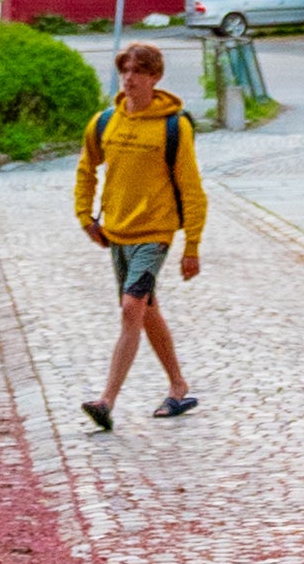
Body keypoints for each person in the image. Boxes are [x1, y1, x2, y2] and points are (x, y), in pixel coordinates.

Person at [72, 35, 206, 428]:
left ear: (156, 77)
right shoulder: (104, 123)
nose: (129, 79)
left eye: (138, 72)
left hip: (155, 232)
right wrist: (85, 217)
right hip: (116, 232)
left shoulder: (174, 126)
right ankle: (178, 387)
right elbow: (85, 170)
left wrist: (192, 245)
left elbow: (192, 188)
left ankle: (106, 402)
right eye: (124, 71)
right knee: (147, 311)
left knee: (132, 308)